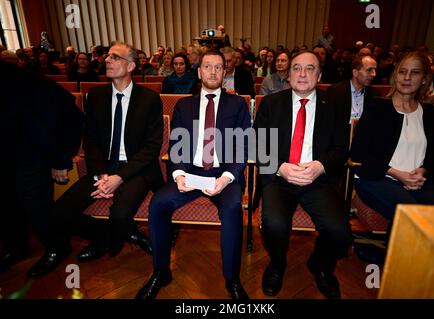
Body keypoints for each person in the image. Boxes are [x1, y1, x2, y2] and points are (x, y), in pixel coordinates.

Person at [27, 41, 165, 278]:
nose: (107, 61)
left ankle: (114, 235)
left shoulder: (150, 99)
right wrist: (101, 174)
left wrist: (119, 178)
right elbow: (90, 140)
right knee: (59, 213)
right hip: (103, 167)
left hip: (135, 169)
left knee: (120, 214)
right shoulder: (96, 96)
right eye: (107, 57)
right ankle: (110, 235)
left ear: (131, 65)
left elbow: (151, 148)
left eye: (115, 57)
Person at [135, 50, 251, 300]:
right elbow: (176, 145)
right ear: (198, 72)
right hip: (190, 173)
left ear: (224, 72)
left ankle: (232, 278)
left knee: (232, 208)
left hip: (223, 174)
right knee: (158, 203)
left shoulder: (238, 104)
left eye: (218, 67)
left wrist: (228, 177)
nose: (212, 71)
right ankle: (161, 271)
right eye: (207, 67)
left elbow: (243, 146)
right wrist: (177, 174)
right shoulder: (184, 105)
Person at [253, 51, 352, 299]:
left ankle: (321, 265)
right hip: (280, 177)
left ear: (319, 74)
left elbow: (341, 149)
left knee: (340, 232)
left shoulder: (335, 106)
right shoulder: (271, 103)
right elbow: (257, 144)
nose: (302, 74)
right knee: (273, 224)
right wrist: (280, 167)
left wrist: (320, 165)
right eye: (297, 68)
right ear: (288, 74)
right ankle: (277, 264)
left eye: (310, 69)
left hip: (317, 179)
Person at [351, 51, 434, 242]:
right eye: (402, 71)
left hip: (420, 180)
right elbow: (359, 152)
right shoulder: (377, 108)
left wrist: (423, 170)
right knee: (410, 212)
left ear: (424, 79)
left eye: (414, 72)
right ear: (395, 76)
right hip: (379, 178)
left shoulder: (430, 114)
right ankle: (398, 267)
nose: (407, 77)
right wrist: (397, 173)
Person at [0, 61, 83, 272]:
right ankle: (16, 246)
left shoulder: (22, 80)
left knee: (34, 202)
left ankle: (58, 245)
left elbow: (66, 119)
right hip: (8, 151)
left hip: (35, 152)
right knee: (7, 201)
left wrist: (60, 159)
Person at [327, 54, 377, 123]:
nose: (374, 74)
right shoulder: (336, 91)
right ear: (355, 72)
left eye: (375, 70)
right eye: (369, 70)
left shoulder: (374, 93)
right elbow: (329, 121)